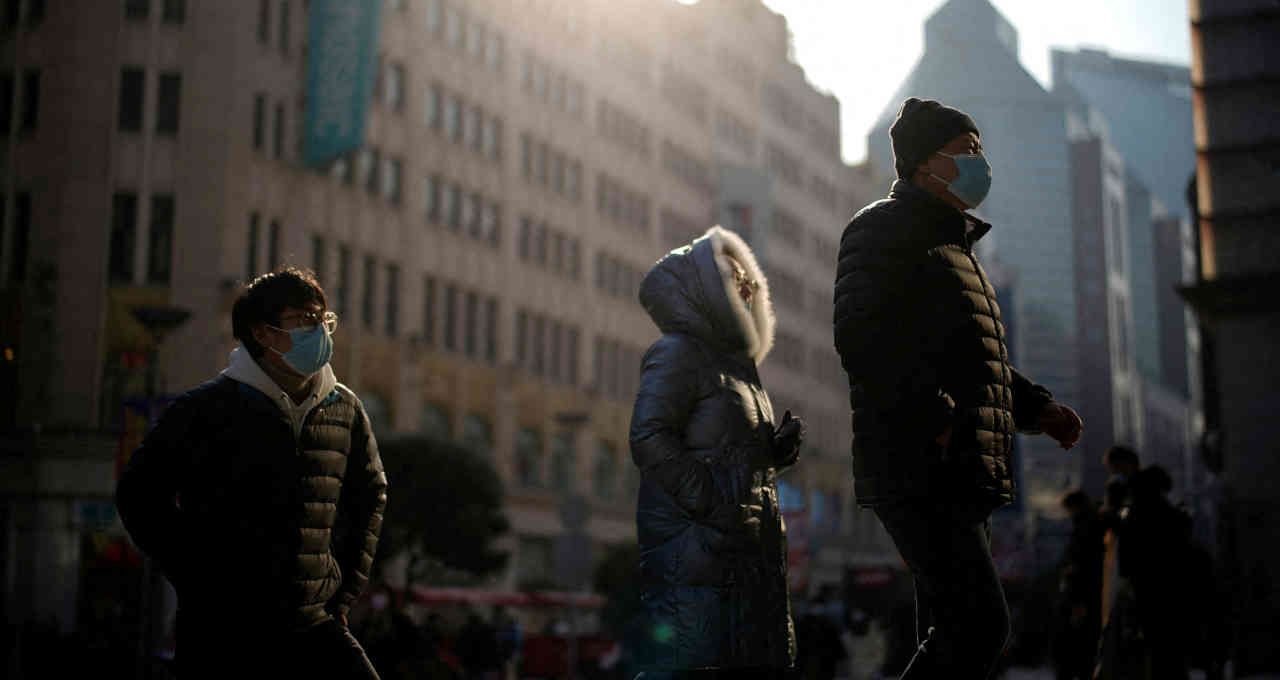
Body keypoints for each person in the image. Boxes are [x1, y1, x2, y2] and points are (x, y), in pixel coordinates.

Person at [833, 97, 1084, 679]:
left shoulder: (956, 248)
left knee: (950, 630)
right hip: (920, 460)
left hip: (961, 463)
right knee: (980, 624)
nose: (980, 163)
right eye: (966, 150)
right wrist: (934, 414)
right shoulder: (881, 230)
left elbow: (972, 361)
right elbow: (862, 337)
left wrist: (1038, 409)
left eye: (979, 149)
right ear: (925, 162)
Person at [116, 267, 387, 679]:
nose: (320, 333)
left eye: (323, 320)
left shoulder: (343, 408)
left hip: (314, 622)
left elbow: (370, 496)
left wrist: (342, 592)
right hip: (224, 631)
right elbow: (139, 493)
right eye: (305, 320)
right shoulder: (205, 410)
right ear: (263, 334)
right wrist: (199, 577)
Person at [629, 226, 806, 679]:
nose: (748, 286)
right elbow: (649, 437)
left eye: (749, 277)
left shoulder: (742, 371)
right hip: (699, 561)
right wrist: (713, 504)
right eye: (734, 277)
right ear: (703, 289)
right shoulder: (676, 353)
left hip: (750, 561)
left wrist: (773, 453)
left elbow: (727, 455)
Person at [1053, 490, 1104, 680]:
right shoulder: (1091, 524)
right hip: (1087, 594)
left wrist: (1077, 599)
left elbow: (1081, 564)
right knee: (1084, 646)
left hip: (1081, 596)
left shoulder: (1084, 528)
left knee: (1076, 644)